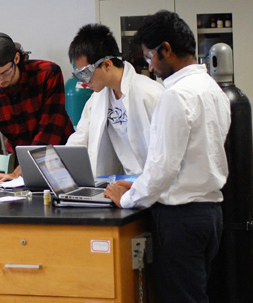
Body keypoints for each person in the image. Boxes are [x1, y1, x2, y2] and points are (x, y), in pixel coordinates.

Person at [103, 11, 230, 303]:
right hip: (210, 214)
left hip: (181, 218)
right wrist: (136, 186)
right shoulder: (213, 89)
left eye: (150, 58)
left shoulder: (176, 95)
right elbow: (190, 158)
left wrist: (128, 199)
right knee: (194, 293)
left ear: (167, 49)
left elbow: (163, 167)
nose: (151, 66)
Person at [0, 32, 73, 182]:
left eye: (4, 73)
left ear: (16, 58)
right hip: (22, 165)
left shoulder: (47, 74)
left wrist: (19, 172)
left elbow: (49, 131)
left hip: (60, 158)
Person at [66, 24, 164, 176]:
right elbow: (81, 137)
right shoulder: (97, 99)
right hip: (124, 181)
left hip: (153, 182)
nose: (84, 82)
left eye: (86, 73)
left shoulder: (150, 94)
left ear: (106, 64)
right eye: (79, 75)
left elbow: (166, 151)